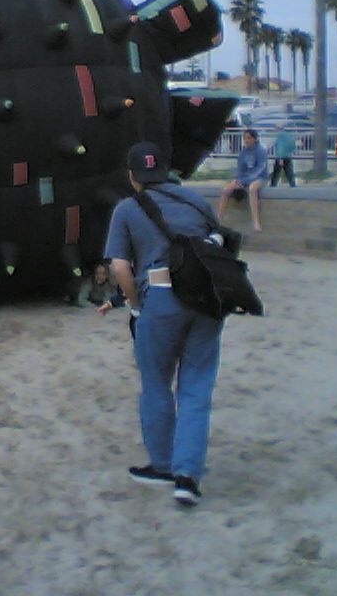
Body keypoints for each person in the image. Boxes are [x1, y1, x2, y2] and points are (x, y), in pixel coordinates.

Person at [104, 141, 229, 507]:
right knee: (196, 386)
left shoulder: (128, 208)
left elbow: (119, 268)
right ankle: (187, 475)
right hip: (207, 298)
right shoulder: (196, 202)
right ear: (165, 169)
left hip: (159, 296)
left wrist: (135, 303)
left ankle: (162, 465)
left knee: (157, 383)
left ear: (132, 175)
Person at [217, 129, 267, 232]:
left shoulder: (261, 150)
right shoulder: (243, 152)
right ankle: (219, 218)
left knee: (252, 189)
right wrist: (238, 180)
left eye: (249, 138)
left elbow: (260, 169)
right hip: (244, 178)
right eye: (245, 138)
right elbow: (240, 169)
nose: (246, 140)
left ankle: (256, 222)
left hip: (260, 178)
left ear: (254, 139)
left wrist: (246, 180)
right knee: (226, 190)